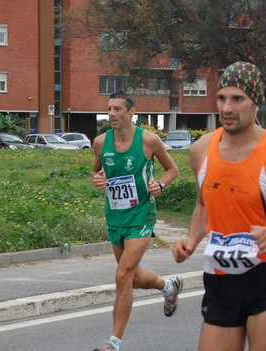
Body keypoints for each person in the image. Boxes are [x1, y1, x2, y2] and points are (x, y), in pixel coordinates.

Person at [172, 61, 266, 351]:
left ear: (256, 104)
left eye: (238, 99)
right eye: (222, 98)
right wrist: (191, 240)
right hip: (219, 279)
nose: (227, 108)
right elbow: (204, 203)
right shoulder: (200, 150)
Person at [92, 90, 182, 351]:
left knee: (122, 275)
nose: (111, 114)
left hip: (142, 215)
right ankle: (169, 286)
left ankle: (113, 344)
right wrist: (97, 180)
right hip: (115, 216)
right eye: (109, 109)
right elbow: (96, 172)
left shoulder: (149, 141)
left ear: (132, 112)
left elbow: (172, 169)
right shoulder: (100, 142)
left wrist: (160, 186)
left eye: (118, 109)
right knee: (131, 278)